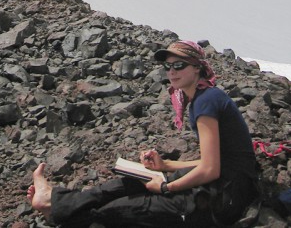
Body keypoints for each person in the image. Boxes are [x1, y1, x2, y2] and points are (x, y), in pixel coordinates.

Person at [27, 40, 258, 227]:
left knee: (118, 210)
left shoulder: (207, 100)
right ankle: (52, 202)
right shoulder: (201, 97)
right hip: (220, 183)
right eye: (168, 66)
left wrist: (166, 187)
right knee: (126, 184)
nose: (171, 71)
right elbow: (213, 161)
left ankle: (56, 211)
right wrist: (165, 166)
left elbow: (210, 169)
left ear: (197, 67)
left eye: (179, 65)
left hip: (225, 198)